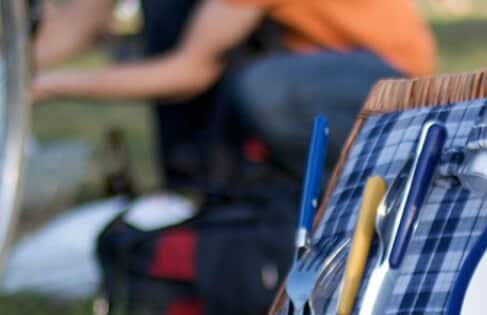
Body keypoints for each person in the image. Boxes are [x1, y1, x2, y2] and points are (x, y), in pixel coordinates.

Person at [32, 0, 436, 185]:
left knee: (263, 89)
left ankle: (316, 200)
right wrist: (16, 69)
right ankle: (200, 188)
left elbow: (189, 70)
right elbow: (79, 19)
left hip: (390, 86)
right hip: (314, 67)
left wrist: (51, 86)